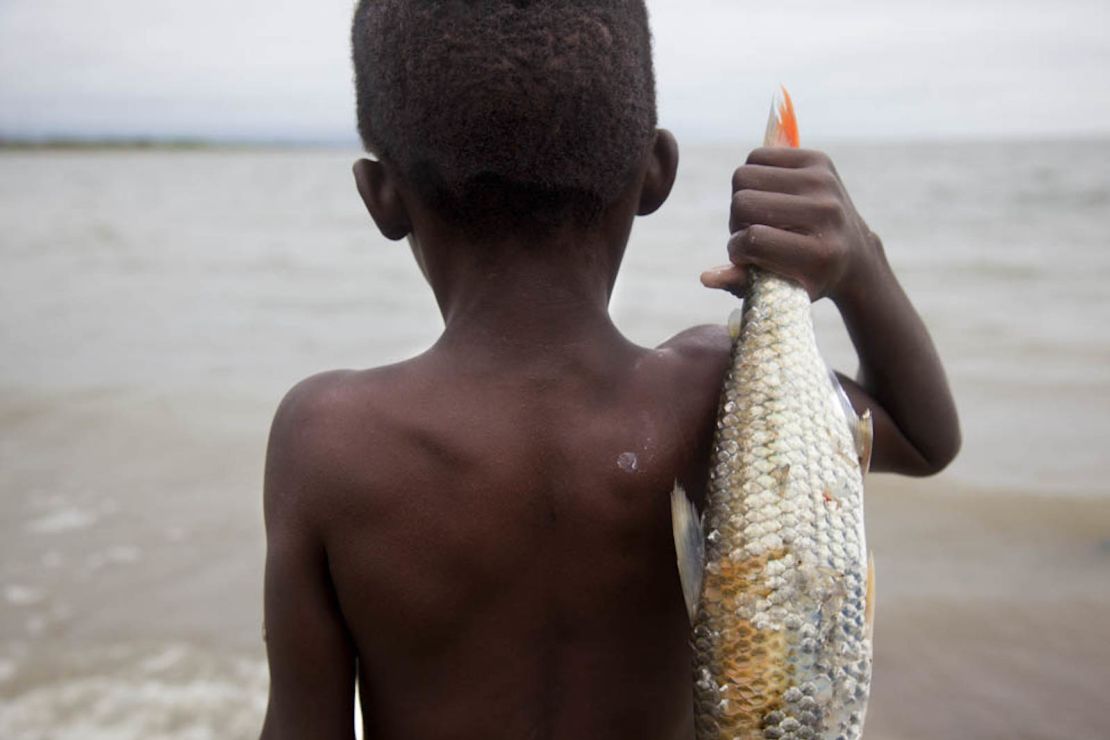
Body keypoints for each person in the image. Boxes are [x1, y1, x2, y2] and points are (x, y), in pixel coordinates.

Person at [259, 2, 960, 738]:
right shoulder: (707, 391)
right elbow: (920, 435)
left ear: (381, 196)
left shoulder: (327, 441)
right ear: (655, 172)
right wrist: (856, 261)